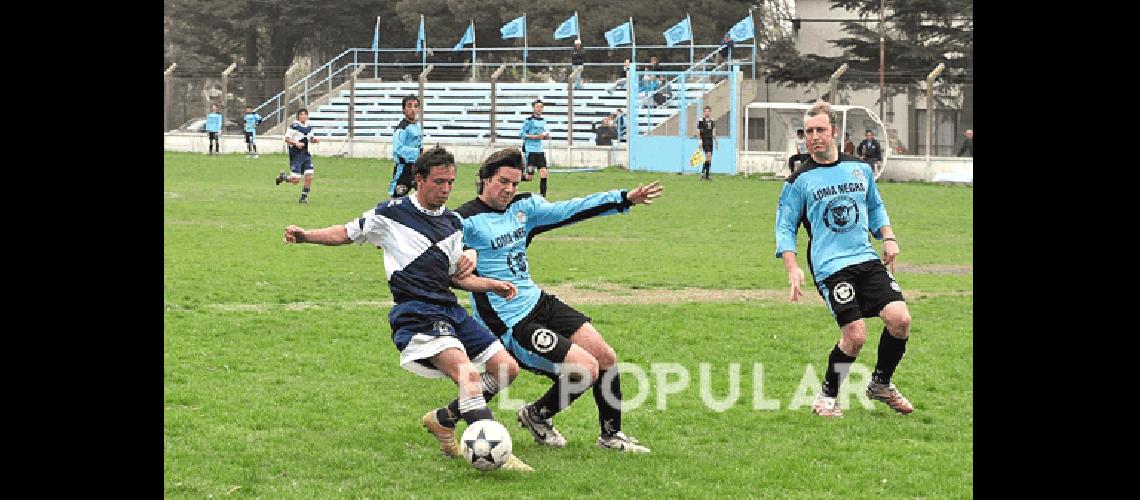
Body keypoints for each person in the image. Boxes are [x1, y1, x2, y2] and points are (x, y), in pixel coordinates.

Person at [281, 146, 534, 471]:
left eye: (451, 182)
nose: (445, 189)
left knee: (506, 369)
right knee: (468, 375)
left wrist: (492, 284)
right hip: (416, 314)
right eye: (439, 181)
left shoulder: (454, 222)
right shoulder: (391, 213)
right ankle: (495, 447)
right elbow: (345, 232)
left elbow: (457, 277)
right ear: (419, 179)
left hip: (449, 309)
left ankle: (444, 419)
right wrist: (306, 236)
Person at [450, 148, 663, 453]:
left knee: (606, 356)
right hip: (511, 322)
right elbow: (438, 251)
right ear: (484, 179)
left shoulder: (524, 208)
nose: (509, 189)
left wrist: (623, 198)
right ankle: (538, 416)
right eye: (502, 181)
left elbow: (571, 209)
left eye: (514, 183)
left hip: (539, 302)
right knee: (585, 369)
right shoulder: (465, 221)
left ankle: (611, 436)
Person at [773, 101, 914, 418]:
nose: (814, 137)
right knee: (855, 335)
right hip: (831, 267)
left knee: (900, 320)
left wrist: (888, 237)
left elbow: (875, 207)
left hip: (866, 259)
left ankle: (880, 384)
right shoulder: (798, 181)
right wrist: (792, 267)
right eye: (808, 132)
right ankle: (826, 397)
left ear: (834, 132)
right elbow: (784, 228)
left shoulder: (860, 169)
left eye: (820, 130)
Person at [274, 108, 320, 204]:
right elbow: (286, 139)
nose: (303, 116)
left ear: (307, 116)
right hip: (296, 156)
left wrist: (314, 140)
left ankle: (303, 198)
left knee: (309, 176)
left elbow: (310, 138)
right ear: (298, 116)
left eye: (305, 114)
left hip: (306, 155)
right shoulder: (294, 126)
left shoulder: (309, 127)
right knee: (295, 180)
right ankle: (283, 177)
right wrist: (296, 143)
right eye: (301, 115)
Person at [390, 95, 423, 198]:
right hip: (404, 169)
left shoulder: (418, 126)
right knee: (396, 201)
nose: (413, 109)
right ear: (403, 110)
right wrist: (419, 152)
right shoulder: (401, 129)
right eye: (409, 106)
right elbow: (398, 149)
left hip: (418, 168)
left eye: (415, 106)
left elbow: (419, 143)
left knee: (425, 197)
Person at [519, 99, 551, 197]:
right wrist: (535, 137)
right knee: (529, 177)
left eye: (541, 107)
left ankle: (543, 196)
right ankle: (513, 178)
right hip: (530, 150)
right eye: (537, 106)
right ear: (533, 108)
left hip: (539, 150)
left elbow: (543, 134)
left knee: (544, 173)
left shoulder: (544, 121)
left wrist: (546, 136)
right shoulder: (528, 121)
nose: (539, 109)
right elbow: (521, 134)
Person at [693, 106, 718, 180]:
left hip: (710, 141)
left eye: (708, 111)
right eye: (705, 111)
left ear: (710, 112)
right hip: (704, 141)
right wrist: (700, 142)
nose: (707, 112)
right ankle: (705, 175)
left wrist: (716, 142)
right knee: (708, 156)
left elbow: (713, 132)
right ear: (704, 112)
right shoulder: (701, 120)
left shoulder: (712, 121)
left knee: (709, 159)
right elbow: (698, 132)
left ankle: (704, 174)